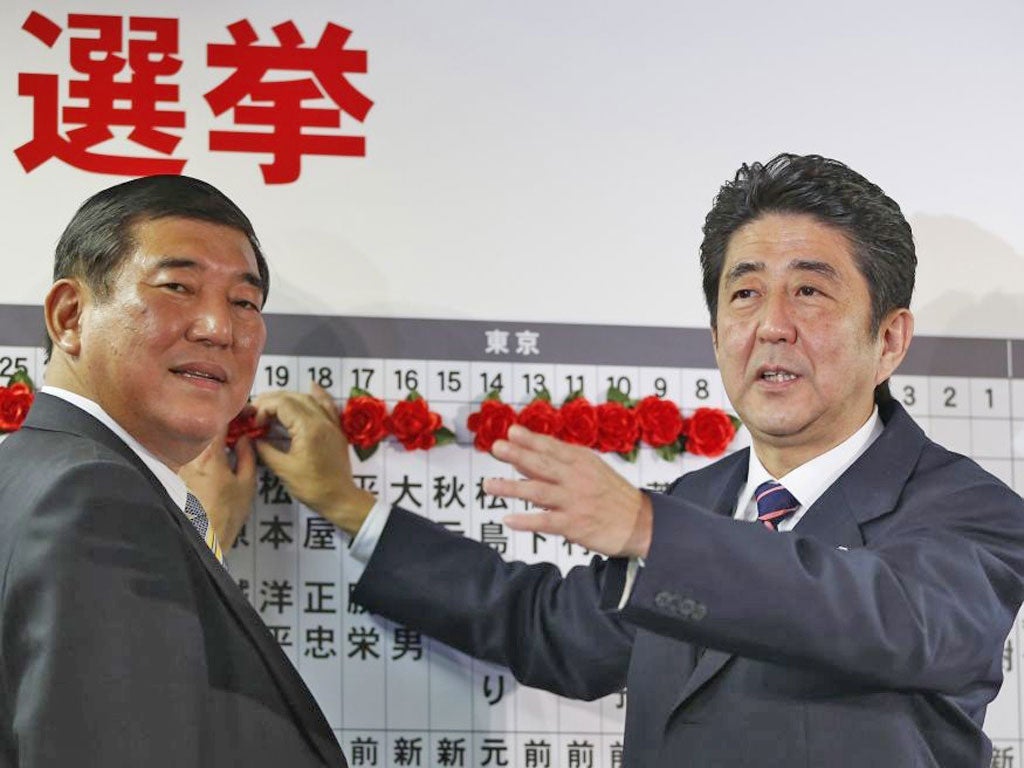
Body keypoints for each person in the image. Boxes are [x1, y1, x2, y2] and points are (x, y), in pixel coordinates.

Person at [194, 154, 1024, 766]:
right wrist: (346, 505)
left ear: (889, 340)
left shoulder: (964, 509)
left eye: (809, 290)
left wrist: (646, 529)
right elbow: (543, 627)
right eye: (744, 292)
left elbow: (885, 617)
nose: (771, 324)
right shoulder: (701, 500)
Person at [0, 176, 347, 767]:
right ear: (70, 315)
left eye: (244, 302)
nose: (218, 327)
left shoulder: (35, 472)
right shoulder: (90, 496)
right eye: (177, 287)